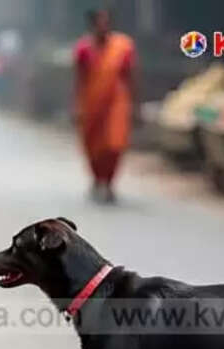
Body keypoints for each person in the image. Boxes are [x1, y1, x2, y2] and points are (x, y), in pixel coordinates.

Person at [73, 9, 136, 204]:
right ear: (92, 25)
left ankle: (109, 182)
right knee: (93, 146)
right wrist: (75, 106)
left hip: (116, 103)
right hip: (91, 103)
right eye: (99, 23)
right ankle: (97, 178)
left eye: (106, 22)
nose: (103, 26)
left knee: (115, 145)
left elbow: (131, 76)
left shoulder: (123, 47)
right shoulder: (83, 49)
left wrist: (136, 104)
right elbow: (79, 79)